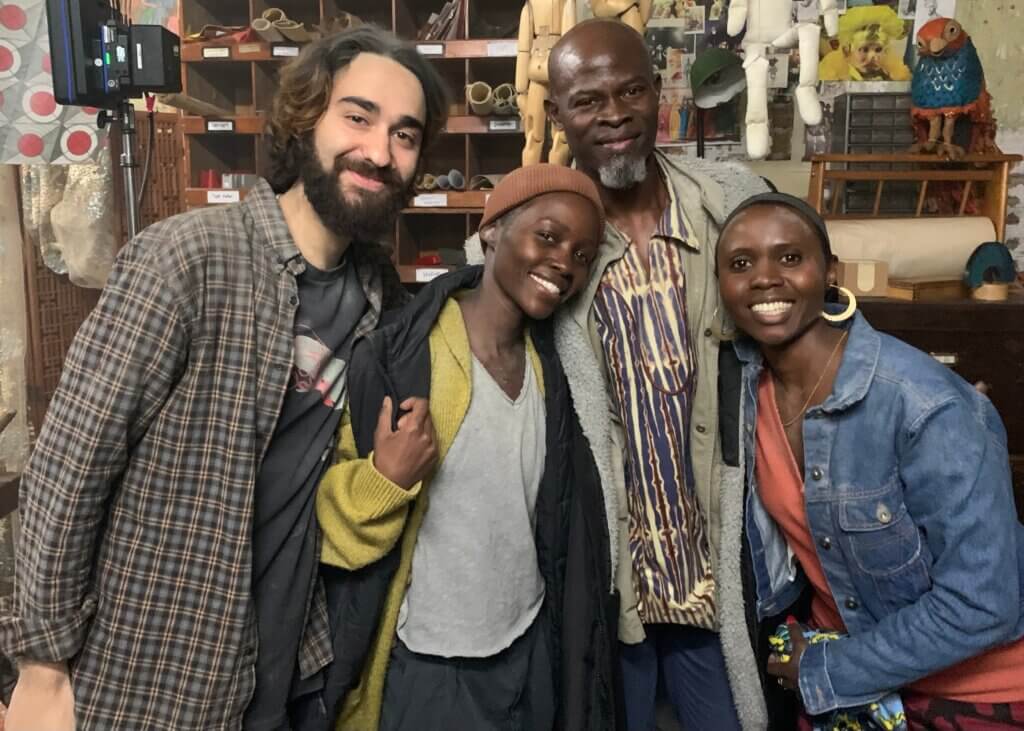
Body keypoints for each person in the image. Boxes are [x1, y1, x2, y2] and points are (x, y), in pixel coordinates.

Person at [0, 26, 448, 731]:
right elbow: (71, 462)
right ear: (306, 121)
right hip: (153, 676)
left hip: (286, 669)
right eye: (357, 117)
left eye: (405, 135)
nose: (379, 152)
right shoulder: (189, 260)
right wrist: (42, 663)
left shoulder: (377, 298)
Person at [312, 164, 619, 730]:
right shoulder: (400, 358)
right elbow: (328, 522)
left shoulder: (553, 370)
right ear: (492, 232)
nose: (564, 263)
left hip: (528, 647)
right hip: (434, 665)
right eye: (548, 236)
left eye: (582, 255)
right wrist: (385, 477)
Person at [715, 192, 1024, 729]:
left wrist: (829, 666)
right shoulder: (745, 388)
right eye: (741, 264)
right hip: (847, 677)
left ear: (830, 272)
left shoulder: (925, 405)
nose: (765, 278)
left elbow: (983, 605)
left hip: (971, 691)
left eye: (790, 258)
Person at [539, 17, 772, 731]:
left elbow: (808, 328)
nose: (613, 114)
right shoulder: (545, 243)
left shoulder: (731, 200)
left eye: (631, 90)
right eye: (587, 101)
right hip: (617, 584)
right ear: (557, 115)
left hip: (719, 571)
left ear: (658, 93)